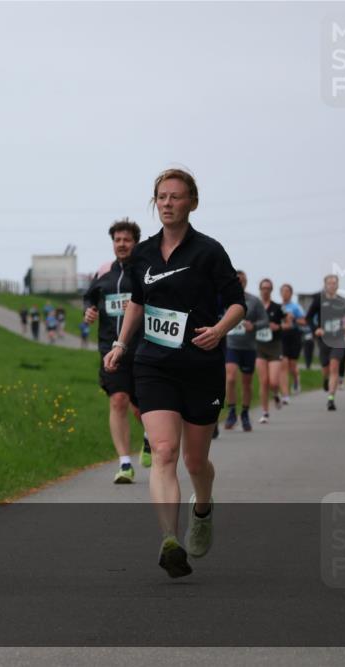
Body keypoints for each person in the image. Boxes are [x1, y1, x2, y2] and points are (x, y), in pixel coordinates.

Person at [104, 168, 245, 578]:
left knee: (196, 460)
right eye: (161, 197)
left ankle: (202, 508)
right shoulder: (144, 254)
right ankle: (170, 539)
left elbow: (237, 304)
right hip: (154, 365)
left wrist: (219, 330)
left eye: (176, 197)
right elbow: (137, 303)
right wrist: (121, 345)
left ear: (192, 203)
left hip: (201, 366)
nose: (167, 203)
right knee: (164, 452)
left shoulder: (209, 251)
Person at [84, 218, 152, 484]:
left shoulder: (146, 271)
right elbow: (90, 296)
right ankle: (125, 463)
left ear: (135, 243)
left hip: (143, 348)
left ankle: (149, 439)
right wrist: (88, 310)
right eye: (117, 240)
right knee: (118, 400)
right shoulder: (104, 273)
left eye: (126, 240)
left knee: (142, 407)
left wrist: (139, 309)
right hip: (110, 349)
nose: (121, 244)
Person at [222, 271, 263, 432]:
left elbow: (264, 320)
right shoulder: (225, 297)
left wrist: (254, 326)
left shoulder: (254, 300)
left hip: (249, 347)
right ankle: (232, 411)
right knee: (230, 377)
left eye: (243, 280)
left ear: (246, 282)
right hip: (232, 345)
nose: (240, 282)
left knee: (246, 382)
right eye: (237, 279)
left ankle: (245, 413)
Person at [306, 274, 345, 411]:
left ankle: (331, 399)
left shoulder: (343, 302)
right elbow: (308, 317)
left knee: (334, 367)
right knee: (326, 368)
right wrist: (316, 329)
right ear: (325, 285)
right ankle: (325, 380)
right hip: (324, 339)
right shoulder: (318, 300)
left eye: (334, 283)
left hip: (339, 339)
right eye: (329, 283)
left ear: (337, 285)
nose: (332, 285)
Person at [253, 278, 289, 424]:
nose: (265, 290)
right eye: (263, 288)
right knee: (264, 381)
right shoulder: (255, 306)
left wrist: (279, 327)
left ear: (271, 290)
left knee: (274, 381)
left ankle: (276, 394)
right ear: (260, 289)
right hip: (259, 346)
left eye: (268, 288)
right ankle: (265, 412)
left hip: (275, 346)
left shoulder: (278, 307)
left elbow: (288, 323)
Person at [279, 284, 306, 395]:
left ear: (291, 293)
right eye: (283, 291)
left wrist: (293, 318)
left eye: (287, 291)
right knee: (283, 363)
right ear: (280, 293)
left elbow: (304, 322)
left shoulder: (296, 307)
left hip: (294, 336)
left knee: (292, 364)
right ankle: (285, 389)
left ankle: (296, 380)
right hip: (282, 336)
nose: (285, 293)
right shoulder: (278, 307)